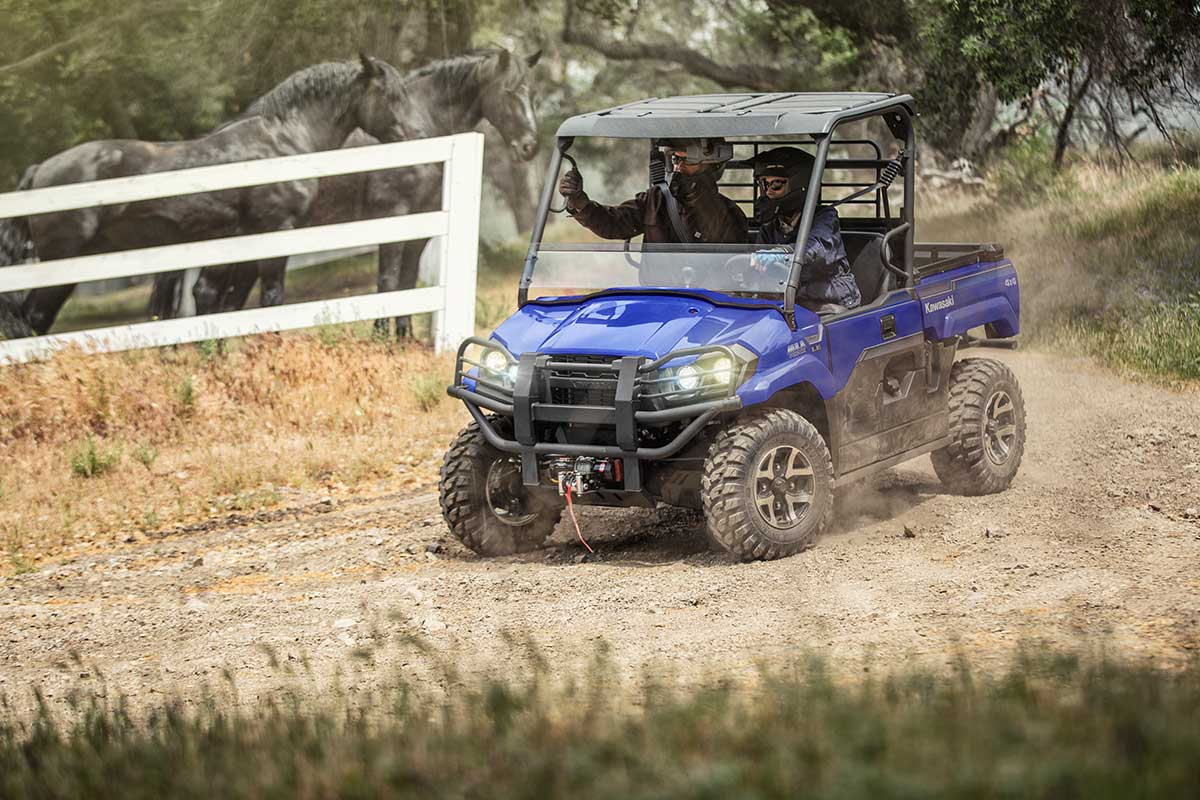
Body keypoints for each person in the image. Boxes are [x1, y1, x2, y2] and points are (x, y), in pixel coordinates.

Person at [557, 138, 747, 244]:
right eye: (675, 159)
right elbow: (614, 224)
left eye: (686, 160)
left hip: (709, 303)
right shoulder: (655, 200)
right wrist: (580, 202)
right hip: (658, 300)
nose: (678, 167)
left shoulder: (730, 214)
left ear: (711, 166)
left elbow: (733, 270)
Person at [748, 146, 861, 311]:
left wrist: (781, 254)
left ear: (799, 185)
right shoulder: (770, 228)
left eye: (776, 184)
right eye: (763, 184)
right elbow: (759, 268)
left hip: (831, 300)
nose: (768, 192)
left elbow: (817, 248)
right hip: (790, 301)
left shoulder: (825, 217)